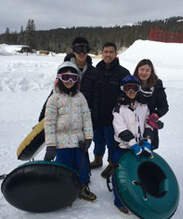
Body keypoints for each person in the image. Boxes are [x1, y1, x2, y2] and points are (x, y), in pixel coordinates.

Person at [44, 61, 97, 201]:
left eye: (73, 78)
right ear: (59, 78)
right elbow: (49, 124)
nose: (69, 81)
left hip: (78, 140)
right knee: (64, 168)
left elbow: (86, 118)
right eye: (65, 78)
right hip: (61, 142)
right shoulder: (54, 99)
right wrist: (50, 145)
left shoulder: (80, 97)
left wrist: (88, 137)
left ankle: (82, 186)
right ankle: (65, 191)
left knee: (82, 166)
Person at [112, 75, 154, 213]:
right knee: (119, 172)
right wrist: (132, 144)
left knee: (140, 172)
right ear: (123, 89)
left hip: (140, 146)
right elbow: (121, 129)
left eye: (134, 88)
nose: (131, 91)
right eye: (128, 88)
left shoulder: (143, 106)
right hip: (124, 147)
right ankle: (119, 200)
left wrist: (147, 141)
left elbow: (148, 124)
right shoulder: (119, 109)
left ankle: (140, 197)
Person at [39, 37, 100, 132]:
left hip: (83, 118)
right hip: (64, 117)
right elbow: (55, 92)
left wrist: (94, 121)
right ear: (73, 51)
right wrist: (42, 119)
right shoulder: (65, 69)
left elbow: (96, 99)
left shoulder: (94, 72)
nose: (81, 53)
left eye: (84, 49)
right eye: (78, 49)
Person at [90, 42, 130, 178]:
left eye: (111, 52)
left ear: (115, 54)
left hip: (113, 117)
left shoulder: (122, 72)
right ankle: (98, 159)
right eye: (105, 52)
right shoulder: (96, 70)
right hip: (97, 114)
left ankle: (111, 163)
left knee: (112, 142)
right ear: (102, 53)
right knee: (98, 139)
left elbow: (129, 94)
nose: (108, 54)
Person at [133, 59, 169, 148]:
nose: (144, 73)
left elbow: (164, 106)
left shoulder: (157, 85)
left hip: (149, 123)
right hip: (133, 123)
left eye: (147, 70)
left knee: (148, 148)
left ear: (151, 72)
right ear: (137, 70)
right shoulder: (131, 84)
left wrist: (156, 115)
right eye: (141, 69)